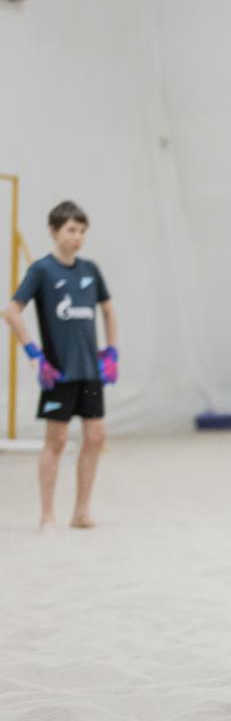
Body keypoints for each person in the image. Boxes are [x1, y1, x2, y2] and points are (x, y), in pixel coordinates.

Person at [2, 201, 118, 532]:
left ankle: (81, 511)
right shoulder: (42, 270)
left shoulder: (90, 270)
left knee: (95, 436)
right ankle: (47, 514)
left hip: (90, 371)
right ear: (54, 231)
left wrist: (111, 351)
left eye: (82, 231)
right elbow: (11, 311)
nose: (77, 236)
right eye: (71, 230)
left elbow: (109, 310)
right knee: (56, 440)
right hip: (59, 372)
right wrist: (34, 354)